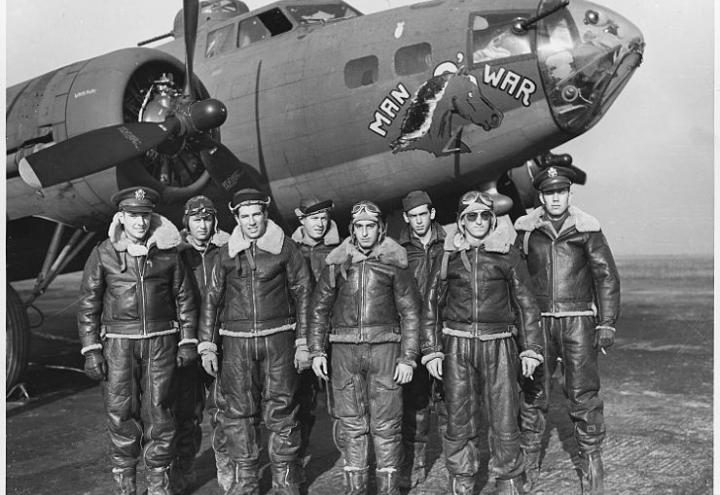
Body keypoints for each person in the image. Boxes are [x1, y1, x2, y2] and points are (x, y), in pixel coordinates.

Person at [421, 191, 544, 495]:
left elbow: (526, 303)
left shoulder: (507, 254)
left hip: (499, 344)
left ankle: (510, 479)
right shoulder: (447, 256)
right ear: (461, 222)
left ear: (492, 220)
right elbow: (430, 305)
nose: (478, 222)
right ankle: (462, 480)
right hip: (456, 346)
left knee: (504, 416)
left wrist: (531, 348)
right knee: (458, 418)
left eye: (484, 216)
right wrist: (431, 350)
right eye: (471, 216)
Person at [77, 186, 198, 495]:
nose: (140, 223)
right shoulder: (103, 252)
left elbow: (184, 298)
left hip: (161, 342)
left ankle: (159, 483)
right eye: (133, 216)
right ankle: (126, 486)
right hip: (118, 344)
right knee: (120, 413)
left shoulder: (168, 252)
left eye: (145, 217)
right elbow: (89, 303)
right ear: (122, 217)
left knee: (160, 411)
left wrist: (186, 341)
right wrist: (91, 349)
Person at [197, 188, 313, 495]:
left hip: (279, 339)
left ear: (265, 214)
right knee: (238, 412)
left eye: (256, 215)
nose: (251, 222)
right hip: (236, 344)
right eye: (244, 216)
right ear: (236, 218)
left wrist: (304, 342)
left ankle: (285, 478)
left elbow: (304, 293)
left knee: (282, 408)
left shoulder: (285, 249)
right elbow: (212, 300)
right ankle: (246, 479)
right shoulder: (225, 253)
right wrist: (207, 345)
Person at [515, 166, 620, 494]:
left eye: (561, 192)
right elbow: (516, 279)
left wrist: (606, 323)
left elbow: (606, 276)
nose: (555, 198)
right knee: (533, 393)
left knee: (584, 394)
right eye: (549, 193)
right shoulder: (527, 230)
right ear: (541, 196)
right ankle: (528, 463)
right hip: (539, 324)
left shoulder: (587, 229)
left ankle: (592, 467)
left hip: (578, 321)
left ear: (569, 194)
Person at [309, 200, 421, 495]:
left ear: (380, 228)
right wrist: (317, 350)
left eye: (370, 226)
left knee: (386, 425)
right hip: (344, 352)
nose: (365, 232)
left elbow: (410, 312)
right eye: (359, 227)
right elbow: (319, 309)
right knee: (352, 425)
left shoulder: (394, 265)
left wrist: (408, 358)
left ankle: (388, 490)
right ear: (352, 230)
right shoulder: (336, 264)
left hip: (385, 350)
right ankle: (355, 490)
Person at [175, 195, 231, 493]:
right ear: (187, 222)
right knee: (187, 411)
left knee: (223, 408)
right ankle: (184, 468)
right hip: (188, 341)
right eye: (196, 220)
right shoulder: (176, 254)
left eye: (207, 219)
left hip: (221, 340)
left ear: (214, 221)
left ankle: (225, 464)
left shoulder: (227, 251)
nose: (202, 225)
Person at [396, 190, 447, 488]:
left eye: (422, 214)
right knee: (414, 404)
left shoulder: (450, 245)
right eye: (412, 216)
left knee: (451, 401)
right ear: (406, 218)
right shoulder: (399, 252)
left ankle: (457, 466)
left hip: (444, 334)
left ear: (432, 213)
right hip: (413, 335)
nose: (418, 221)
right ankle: (413, 465)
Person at [290, 197, 342, 467]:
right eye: (314, 219)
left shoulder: (340, 249)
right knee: (301, 401)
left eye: (324, 218)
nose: (320, 224)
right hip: (300, 335)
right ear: (303, 220)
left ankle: (349, 462)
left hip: (331, 334)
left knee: (342, 402)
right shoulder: (290, 250)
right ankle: (296, 460)